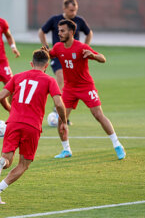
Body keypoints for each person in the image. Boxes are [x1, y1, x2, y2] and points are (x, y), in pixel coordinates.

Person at [0, 49, 68, 204]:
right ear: (46, 66)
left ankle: (1, 163)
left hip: (13, 123)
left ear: (31, 63)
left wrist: (10, 110)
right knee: (23, 165)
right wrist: (63, 121)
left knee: (7, 158)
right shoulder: (49, 80)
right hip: (32, 126)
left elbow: (0, 96)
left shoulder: (17, 77)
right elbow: (58, 103)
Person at [46, 19, 126, 160]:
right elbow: (49, 54)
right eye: (58, 31)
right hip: (69, 88)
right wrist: (43, 54)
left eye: (62, 31)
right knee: (61, 120)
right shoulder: (58, 47)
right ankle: (66, 150)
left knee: (98, 115)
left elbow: (103, 58)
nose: (59, 33)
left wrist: (93, 56)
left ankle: (117, 145)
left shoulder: (81, 47)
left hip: (86, 86)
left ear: (71, 32)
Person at [38, 0, 93, 126]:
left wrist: (85, 47)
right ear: (64, 9)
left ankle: (63, 113)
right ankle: (58, 107)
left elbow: (89, 33)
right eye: (71, 10)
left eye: (75, 10)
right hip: (58, 56)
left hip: (74, 59)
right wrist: (46, 46)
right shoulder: (55, 20)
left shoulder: (79, 21)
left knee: (72, 84)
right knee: (61, 77)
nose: (73, 13)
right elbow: (41, 32)